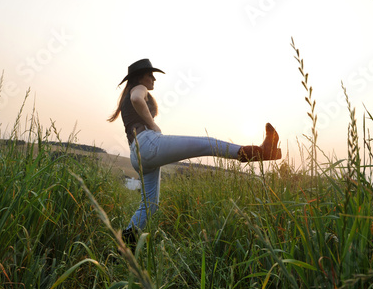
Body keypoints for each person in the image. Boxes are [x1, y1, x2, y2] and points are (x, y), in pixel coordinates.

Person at [107, 58, 281, 250]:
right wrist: (153, 125)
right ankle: (260, 152)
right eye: (150, 74)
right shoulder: (139, 88)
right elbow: (137, 99)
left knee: (149, 206)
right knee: (208, 144)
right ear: (140, 77)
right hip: (148, 144)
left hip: (136, 155)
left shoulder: (126, 97)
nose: (154, 79)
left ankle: (124, 249)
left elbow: (134, 102)